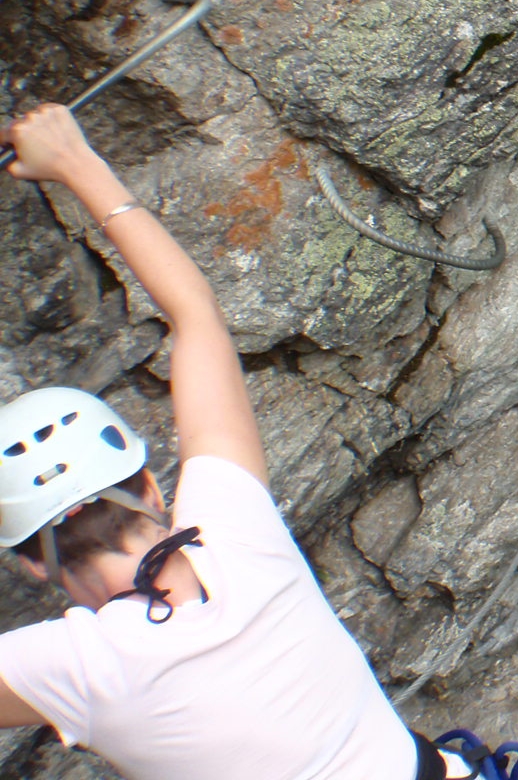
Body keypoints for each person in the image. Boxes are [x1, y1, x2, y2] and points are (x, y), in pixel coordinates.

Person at [0, 105, 491, 779]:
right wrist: (76, 162)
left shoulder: (73, 669)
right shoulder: (234, 533)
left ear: (30, 565)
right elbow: (194, 314)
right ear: (148, 489)